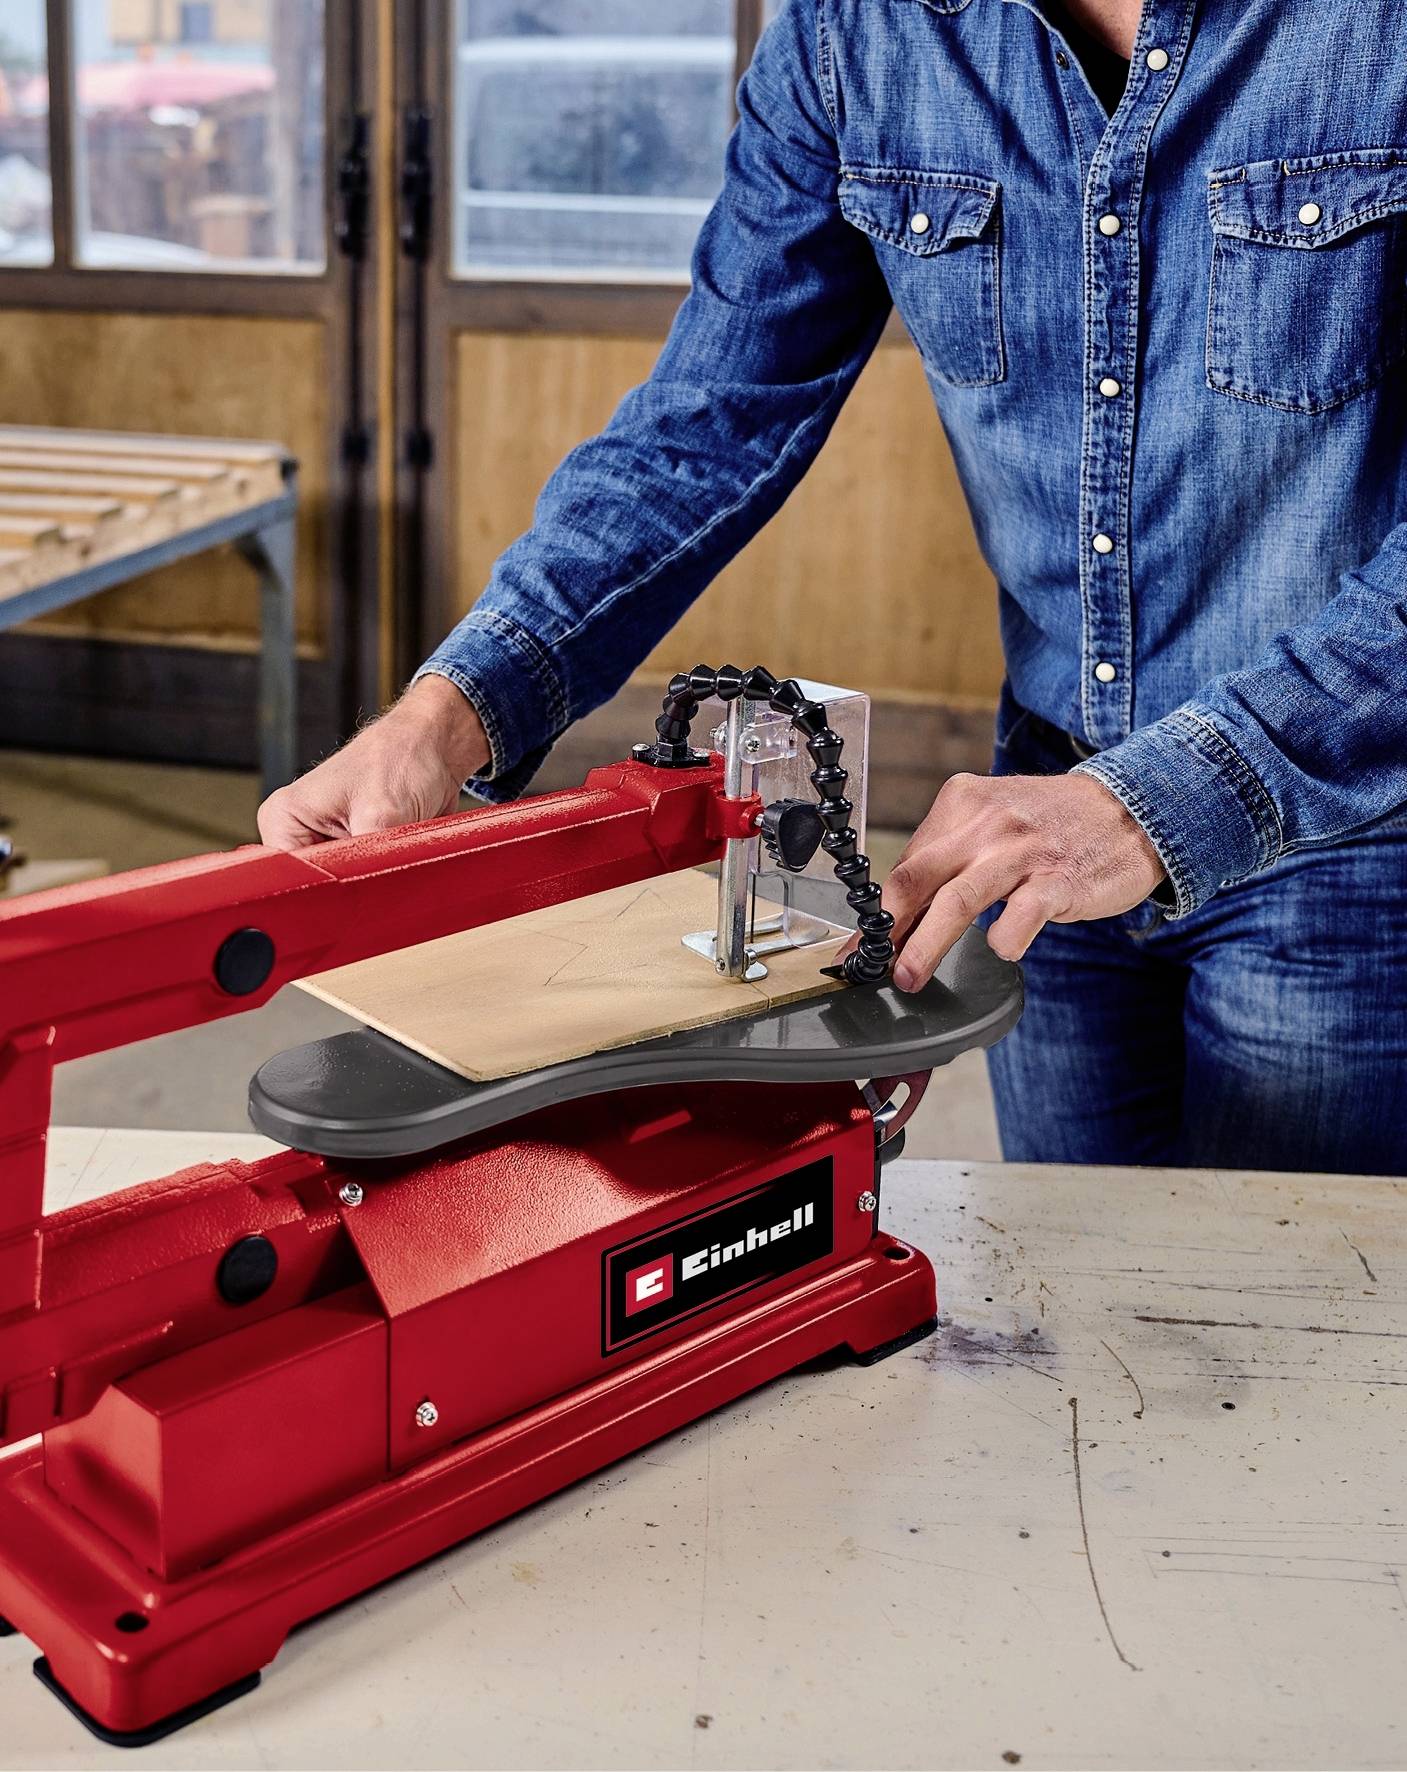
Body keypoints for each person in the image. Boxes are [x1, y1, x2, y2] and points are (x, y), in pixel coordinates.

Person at [259, 0, 1407, 1175]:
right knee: (1085, 1300)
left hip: (1349, 837)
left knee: (1300, 1322)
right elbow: (706, 426)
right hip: (1037, 821)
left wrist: (1160, 796)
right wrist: (444, 717)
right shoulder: (855, 34)